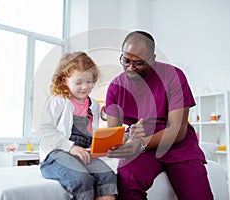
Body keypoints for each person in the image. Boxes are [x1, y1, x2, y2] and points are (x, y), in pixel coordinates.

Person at [105, 31, 213, 200]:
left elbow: (177, 131)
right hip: (143, 150)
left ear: (152, 59)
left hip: (178, 147)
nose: (130, 68)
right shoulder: (115, 87)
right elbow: (112, 133)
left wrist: (139, 143)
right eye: (126, 61)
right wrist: (127, 136)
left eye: (138, 63)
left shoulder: (174, 76)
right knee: (127, 181)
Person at [35, 52, 118, 200]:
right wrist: (71, 147)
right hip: (57, 153)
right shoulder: (58, 101)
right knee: (82, 179)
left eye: (89, 81)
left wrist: (99, 147)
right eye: (78, 82)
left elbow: (91, 133)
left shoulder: (95, 105)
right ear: (64, 80)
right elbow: (43, 131)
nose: (85, 87)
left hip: (82, 153)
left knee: (107, 176)